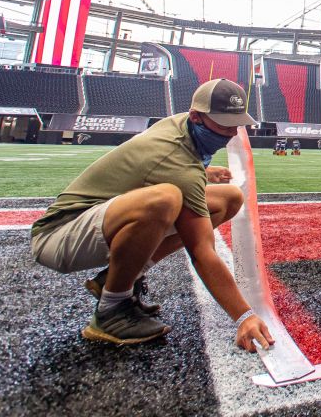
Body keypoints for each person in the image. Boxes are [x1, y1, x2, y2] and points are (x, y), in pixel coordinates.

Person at [30, 78, 274, 352]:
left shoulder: (181, 126)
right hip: (60, 236)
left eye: (235, 124)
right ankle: (112, 309)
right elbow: (202, 252)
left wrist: (204, 172)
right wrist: (244, 315)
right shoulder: (177, 162)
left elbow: (163, 166)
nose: (230, 133)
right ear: (196, 116)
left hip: (99, 218)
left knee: (227, 199)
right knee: (165, 199)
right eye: (222, 125)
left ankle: (118, 278)